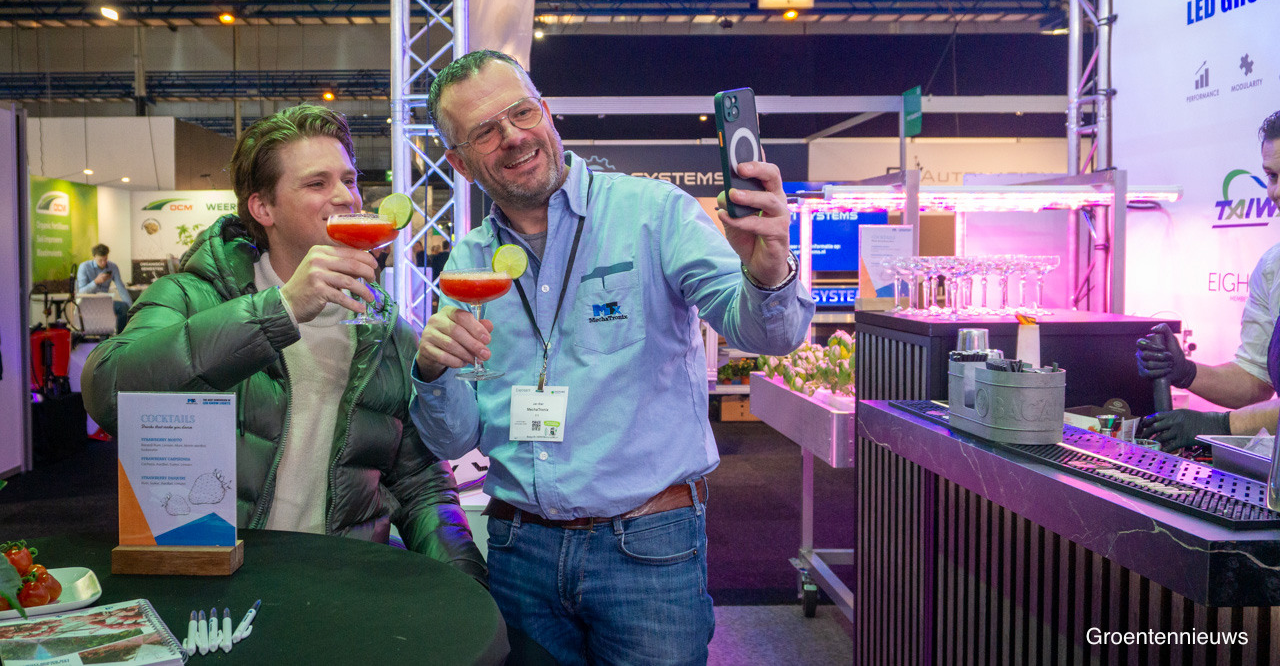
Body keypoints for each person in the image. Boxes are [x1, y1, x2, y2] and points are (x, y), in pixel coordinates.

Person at [410, 49, 815, 664]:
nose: (513, 136)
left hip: (647, 549)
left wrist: (767, 270)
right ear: (459, 162)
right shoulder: (469, 261)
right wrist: (432, 371)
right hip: (519, 550)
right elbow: (453, 437)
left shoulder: (653, 213)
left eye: (521, 112)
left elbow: (766, 334)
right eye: (485, 132)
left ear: (547, 112)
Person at [81, 105, 486, 584]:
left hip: (339, 582)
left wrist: (467, 583)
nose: (346, 196)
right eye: (317, 183)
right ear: (262, 208)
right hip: (217, 583)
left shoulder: (388, 331)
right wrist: (283, 309)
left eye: (349, 179)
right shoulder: (191, 295)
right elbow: (107, 392)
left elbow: (421, 484)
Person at [1138, 109, 1280, 451]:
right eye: (1273, 176)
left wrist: (1219, 425)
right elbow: (1255, 379)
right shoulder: (1272, 268)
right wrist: (1186, 372)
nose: (1275, 192)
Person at [76, 244, 133, 333]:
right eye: (100, 260)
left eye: (105, 259)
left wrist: (131, 308)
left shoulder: (112, 267)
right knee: (104, 317)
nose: (103, 263)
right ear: (94, 257)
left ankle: (121, 336)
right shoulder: (84, 267)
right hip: (88, 303)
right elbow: (81, 292)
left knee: (123, 307)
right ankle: (104, 337)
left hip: (105, 302)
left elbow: (121, 288)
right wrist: (96, 282)